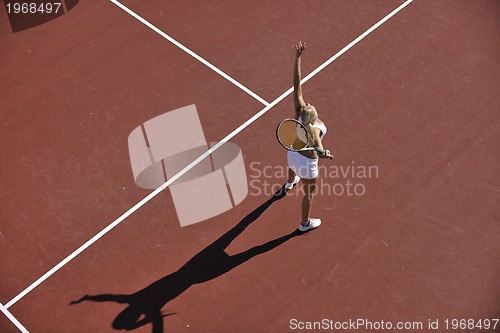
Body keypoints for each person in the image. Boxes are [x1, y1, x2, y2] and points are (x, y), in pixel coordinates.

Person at [284, 41, 332, 232]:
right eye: (310, 107)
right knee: (309, 193)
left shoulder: (299, 111)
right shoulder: (314, 129)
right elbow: (319, 150)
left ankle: (289, 182)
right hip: (307, 165)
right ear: (312, 117)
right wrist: (325, 153)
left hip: (292, 155)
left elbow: (296, 84)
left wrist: (297, 58)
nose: (308, 103)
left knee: (292, 169)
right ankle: (305, 224)